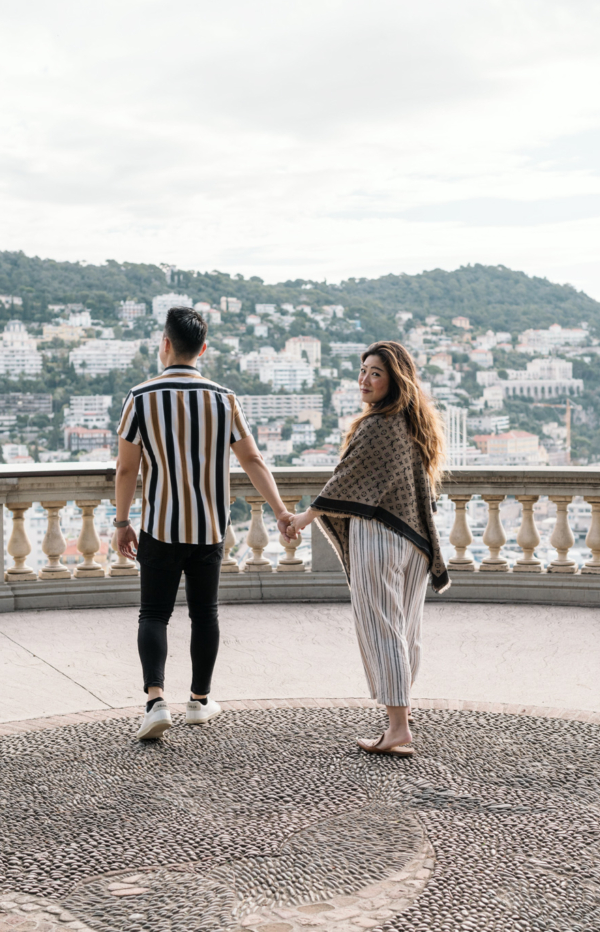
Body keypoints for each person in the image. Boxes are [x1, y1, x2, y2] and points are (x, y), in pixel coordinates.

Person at [113, 306, 295, 742]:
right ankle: (199, 700)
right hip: (210, 527)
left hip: (160, 525)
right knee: (204, 614)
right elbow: (252, 459)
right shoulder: (223, 398)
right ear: (204, 348)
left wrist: (122, 522)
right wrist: (282, 511)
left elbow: (125, 470)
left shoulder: (140, 397)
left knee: (154, 614)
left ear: (166, 344)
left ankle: (156, 701)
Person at [286, 340, 448, 757]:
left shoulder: (378, 425)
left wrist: (304, 518)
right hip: (414, 542)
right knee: (405, 630)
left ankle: (397, 728)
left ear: (395, 379)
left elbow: (345, 480)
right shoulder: (413, 424)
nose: (365, 380)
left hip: (379, 537)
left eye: (375, 372)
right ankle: (402, 715)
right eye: (362, 371)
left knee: (382, 630)